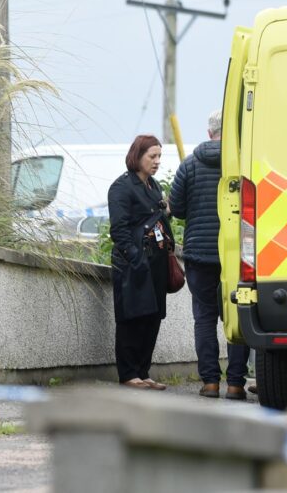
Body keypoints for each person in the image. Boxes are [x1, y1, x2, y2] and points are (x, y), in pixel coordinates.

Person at [170, 110, 251, 400]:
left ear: (209, 133)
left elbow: (177, 209)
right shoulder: (243, 164)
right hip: (236, 255)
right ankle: (236, 384)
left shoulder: (189, 165)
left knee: (204, 318)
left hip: (199, 256)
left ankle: (210, 383)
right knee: (238, 317)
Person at [108, 134, 174, 390]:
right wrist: (135, 258)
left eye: (159, 156)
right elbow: (119, 230)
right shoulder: (122, 187)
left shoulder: (154, 186)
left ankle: (143, 371)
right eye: (152, 156)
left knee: (153, 317)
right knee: (132, 318)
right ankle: (128, 373)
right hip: (133, 263)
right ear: (138, 156)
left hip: (156, 260)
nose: (157, 161)